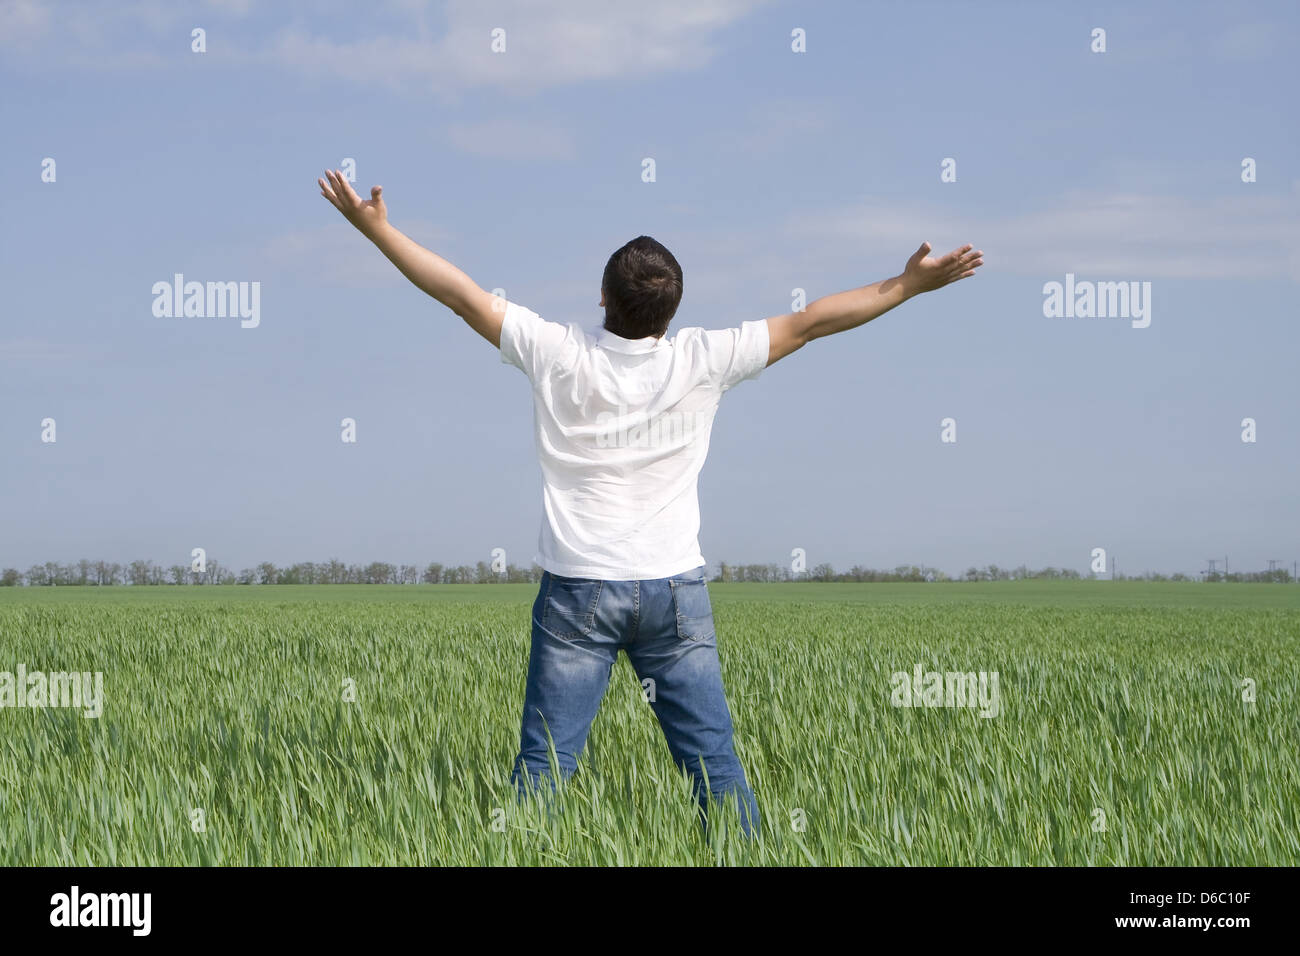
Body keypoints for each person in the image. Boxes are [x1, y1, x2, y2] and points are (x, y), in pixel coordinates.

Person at [317, 169, 983, 837]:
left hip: (578, 589)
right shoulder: (705, 357)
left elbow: (461, 296)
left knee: (544, 771)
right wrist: (909, 286)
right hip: (673, 591)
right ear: (674, 309)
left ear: (603, 298)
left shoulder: (558, 352)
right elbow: (812, 323)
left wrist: (376, 230)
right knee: (715, 767)